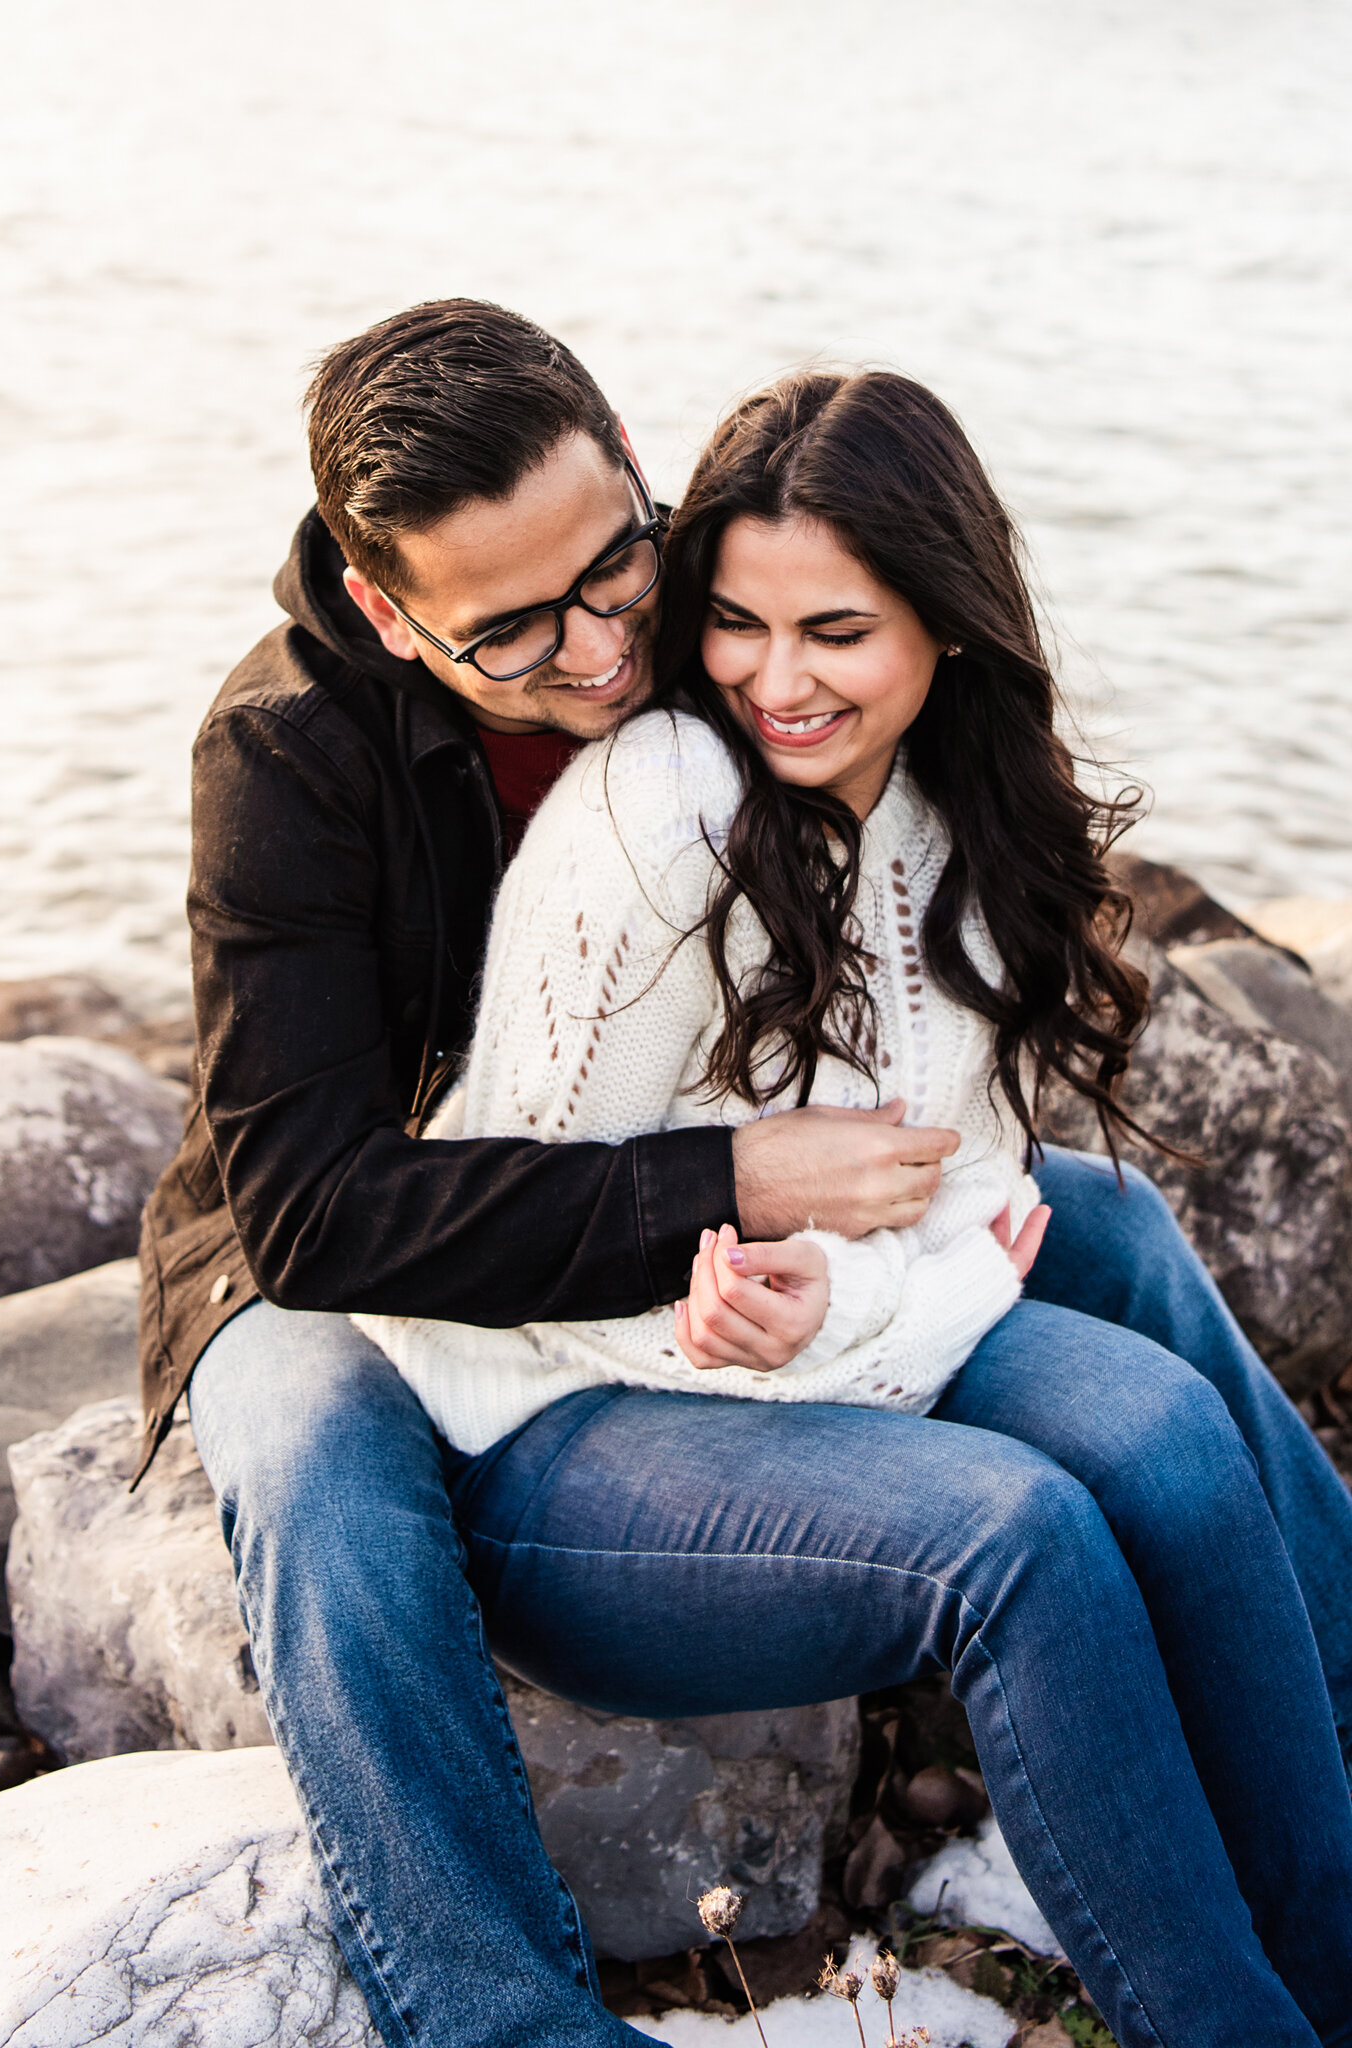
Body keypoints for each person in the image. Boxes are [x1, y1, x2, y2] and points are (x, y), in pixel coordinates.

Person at [143, 301, 1352, 2048]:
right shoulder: (290, 754)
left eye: (620, 573)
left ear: (632, 470)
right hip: (344, 1226)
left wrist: (859, 1222)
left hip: (706, 1220)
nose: (597, 647)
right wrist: (738, 1184)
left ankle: (1319, 1679)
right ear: (394, 613)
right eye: (514, 633)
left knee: (1112, 1231)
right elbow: (318, 1209)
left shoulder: (733, 650)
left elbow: (913, 1044)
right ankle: (502, 2018)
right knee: (321, 1438)